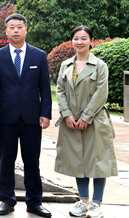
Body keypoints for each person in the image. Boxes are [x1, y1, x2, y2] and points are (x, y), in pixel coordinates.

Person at [54, 26, 118, 218]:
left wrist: (86, 117)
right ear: (71, 41)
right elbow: (60, 90)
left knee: (98, 161)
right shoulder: (66, 65)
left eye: (84, 38)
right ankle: (83, 202)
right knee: (77, 160)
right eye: (76, 38)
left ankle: (96, 204)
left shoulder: (100, 65)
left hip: (95, 120)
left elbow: (101, 93)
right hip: (71, 121)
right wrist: (67, 114)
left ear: (91, 41)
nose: (79, 42)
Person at [0, 14, 52, 217]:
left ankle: (34, 202)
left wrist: (45, 113)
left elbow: (45, 88)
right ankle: (7, 200)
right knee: (6, 161)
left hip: (31, 118)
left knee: (32, 162)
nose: (16, 30)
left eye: (19, 27)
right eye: (12, 27)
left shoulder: (38, 55)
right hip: (6, 118)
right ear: (6, 31)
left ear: (26, 29)